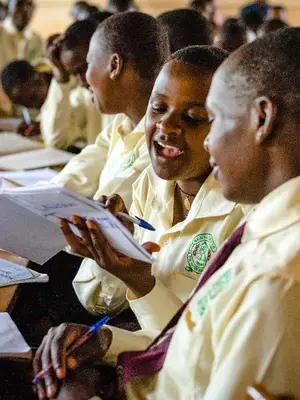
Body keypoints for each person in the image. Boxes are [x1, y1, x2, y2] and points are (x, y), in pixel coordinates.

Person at [35, 28, 300, 400]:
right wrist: (109, 338)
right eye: (157, 109)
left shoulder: (275, 273)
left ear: (262, 120)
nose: (208, 140)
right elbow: (199, 339)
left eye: (208, 117)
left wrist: (139, 289)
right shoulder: (265, 231)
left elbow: (203, 376)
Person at [71, 46, 251, 319]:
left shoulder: (244, 217)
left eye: (193, 118)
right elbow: (98, 303)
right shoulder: (149, 184)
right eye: (158, 108)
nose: (166, 126)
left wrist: (142, 286)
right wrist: (114, 251)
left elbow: (200, 344)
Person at [40, 19, 112, 150]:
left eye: (85, 68)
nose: (81, 80)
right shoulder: (84, 97)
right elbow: (56, 140)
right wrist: (62, 76)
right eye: (74, 73)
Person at [0, 0, 43, 116]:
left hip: (26, 110)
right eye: (19, 4)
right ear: (9, 6)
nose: (24, 10)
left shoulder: (36, 40)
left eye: (29, 5)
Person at [1, 60, 52, 137]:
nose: (33, 106)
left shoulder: (67, 83)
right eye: (24, 105)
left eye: (32, 97)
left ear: (39, 77)